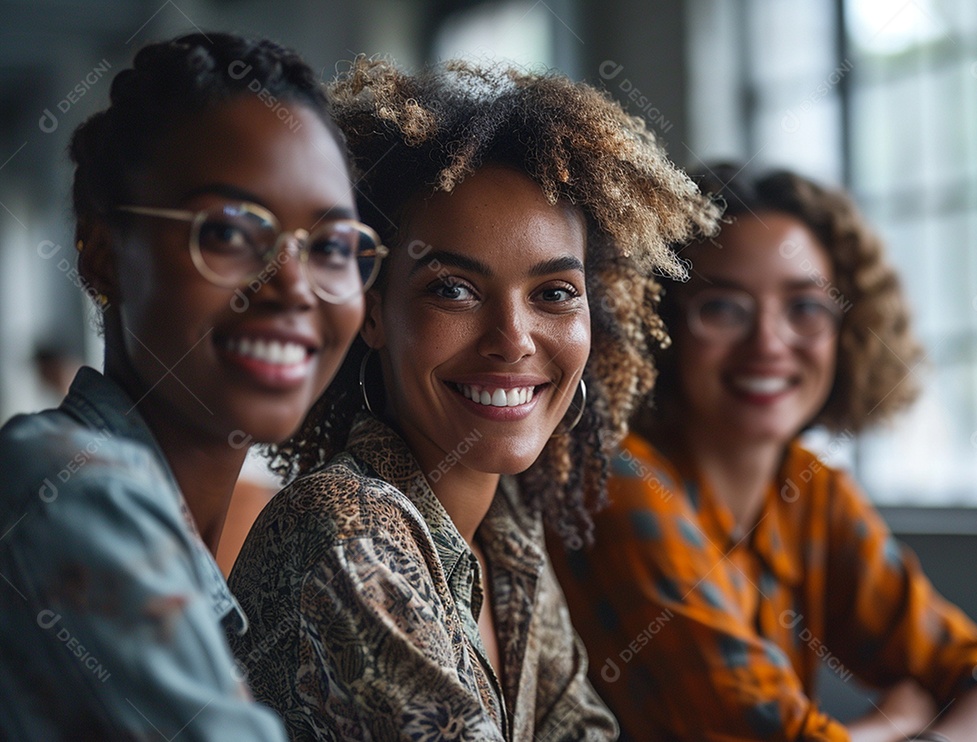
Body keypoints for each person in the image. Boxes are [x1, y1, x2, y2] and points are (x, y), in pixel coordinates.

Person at [227, 58, 719, 740]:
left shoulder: (506, 530)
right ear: (374, 312)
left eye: (554, 293)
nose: (513, 340)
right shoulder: (346, 530)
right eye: (453, 289)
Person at [551, 162, 977, 741]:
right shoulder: (612, 481)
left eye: (807, 308)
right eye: (723, 307)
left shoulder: (811, 492)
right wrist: (890, 724)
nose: (769, 343)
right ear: (657, 322)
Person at [0, 32, 381, 739]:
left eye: (330, 246)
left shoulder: (209, 546)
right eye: (229, 233)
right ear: (103, 255)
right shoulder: (68, 491)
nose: (294, 286)